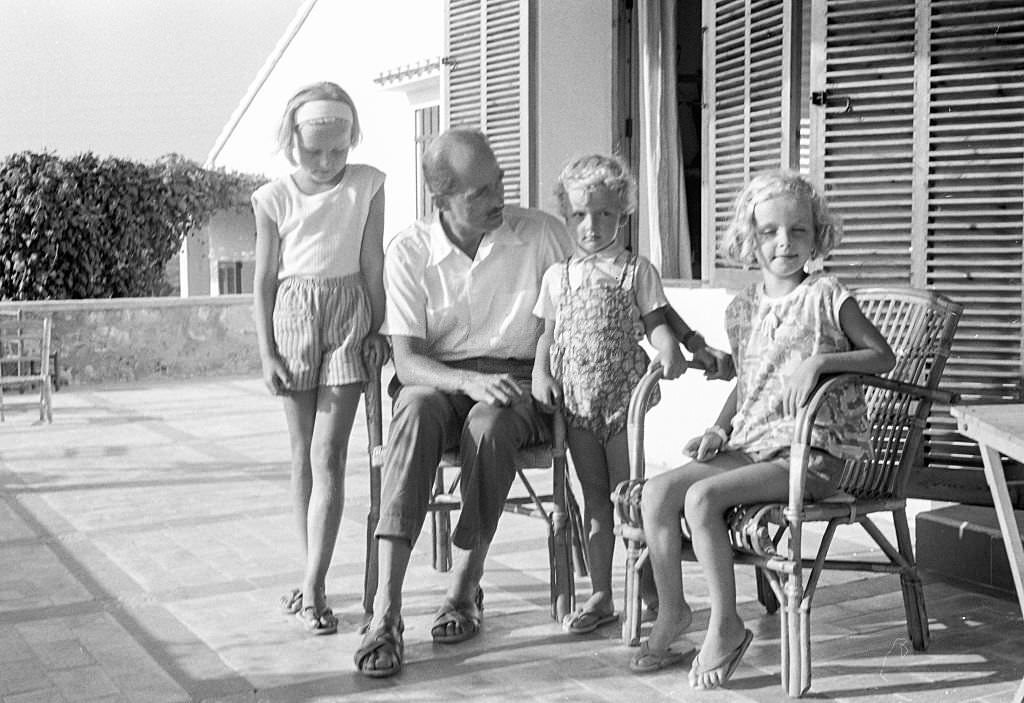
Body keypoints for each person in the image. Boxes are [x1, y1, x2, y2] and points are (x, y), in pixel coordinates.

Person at [635, 170, 896, 687]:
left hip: (810, 452)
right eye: (770, 231)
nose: (784, 243)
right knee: (658, 493)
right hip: (753, 444)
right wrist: (718, 427)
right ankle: (673, 610)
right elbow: (751, 381)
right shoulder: (744, 307)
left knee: (702, 499)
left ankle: (726, 624)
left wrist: (822, 361)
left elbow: (882, 355)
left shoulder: (827, 294)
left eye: (798, 231)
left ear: (816, 235)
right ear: (749, 237)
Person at [353, 128, 573, 678]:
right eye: (480, 193)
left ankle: (463, 590)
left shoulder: (543, 236)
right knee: (417, 409)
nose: (498, 199)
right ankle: (387, 610)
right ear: (442, 199)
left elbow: (585, 308)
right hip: (438, 377)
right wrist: (466, 382)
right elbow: (407, 364)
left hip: (520, 379)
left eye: (499, 183)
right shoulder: (410, 251)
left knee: (491, 423)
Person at [531, 154, 729, 635]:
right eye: (579, 215)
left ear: (622, 213)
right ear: (566, 217)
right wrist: (540, 372)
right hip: (577, 407)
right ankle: (601, 593)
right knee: (595, 502)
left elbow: (658, 324)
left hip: (623, 405)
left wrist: (671, 353)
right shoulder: (558, 277)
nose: (591, 225)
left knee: (630, 500)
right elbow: (547, 335)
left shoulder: (635, 270)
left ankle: (649, 589)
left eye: (603, 214)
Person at [251, 82, 388, 635]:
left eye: (339, 149)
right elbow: (262, 280)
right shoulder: (272, 197)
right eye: (315, 152)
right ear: (292, 142)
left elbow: (374, 264)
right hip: (293, 315)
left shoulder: (368, 185)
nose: (329, 162)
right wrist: (266, 353)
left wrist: (378, 326)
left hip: (349, 315)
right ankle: (313, 574)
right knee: (301, 454)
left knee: (330, 453)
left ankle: (312, 581)